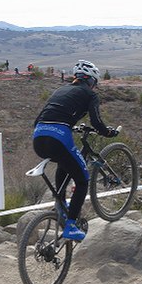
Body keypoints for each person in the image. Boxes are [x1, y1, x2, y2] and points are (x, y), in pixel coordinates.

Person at [32, 60, 119, 241]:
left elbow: (42, 118)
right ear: (92, 81)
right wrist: (108, 133)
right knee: (82, 179)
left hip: (38, 138)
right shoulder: (90, 94)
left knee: (65, 161)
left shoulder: (60, 90)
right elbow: (96, 122)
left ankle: (61, 203)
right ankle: (71, 226)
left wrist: (68, 125)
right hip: (58, 137)